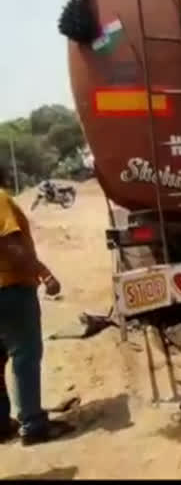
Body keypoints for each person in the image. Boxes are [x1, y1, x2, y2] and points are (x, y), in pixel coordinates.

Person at [0, 167, 75, 445]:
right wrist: (44, 273)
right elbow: (10, 245)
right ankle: (32, 424)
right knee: (25, 355)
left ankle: (0, 424)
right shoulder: (0, 199)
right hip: (11, 288)